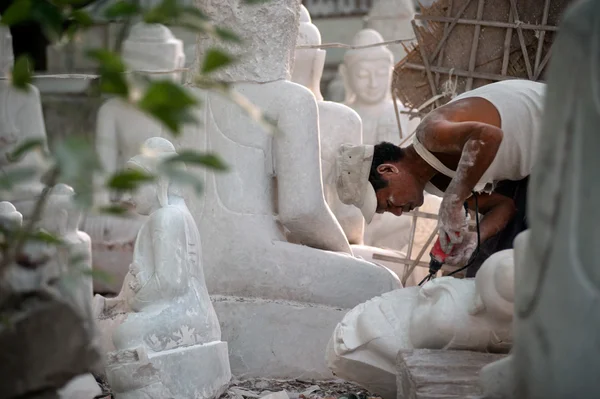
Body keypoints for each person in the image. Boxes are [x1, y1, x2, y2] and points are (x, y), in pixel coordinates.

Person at [336, 79, 545, 276]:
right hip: (547, 163)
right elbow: (504, 206)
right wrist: (473, 240)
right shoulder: (438, 183)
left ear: (388, 170)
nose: (398, 213)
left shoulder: (430, 132)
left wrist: (454, 200)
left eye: (389, 203)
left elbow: (488, 136)